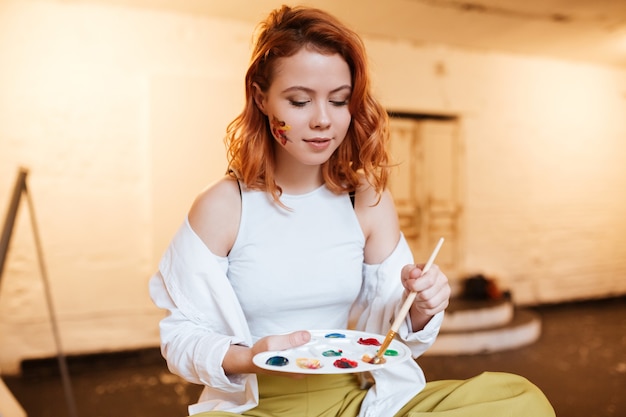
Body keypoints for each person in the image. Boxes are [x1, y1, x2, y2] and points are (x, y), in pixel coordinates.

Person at [149, 5, 555, 417]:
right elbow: (181, 337)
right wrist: (247, 357)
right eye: (300, 100)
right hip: (257, 405)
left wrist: (419, 308)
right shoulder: (224, 205)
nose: (323, 120)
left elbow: (393, 332)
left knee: (520, 402)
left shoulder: (365, 199)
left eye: (339, 100)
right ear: (261, 97)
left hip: (355, 400)